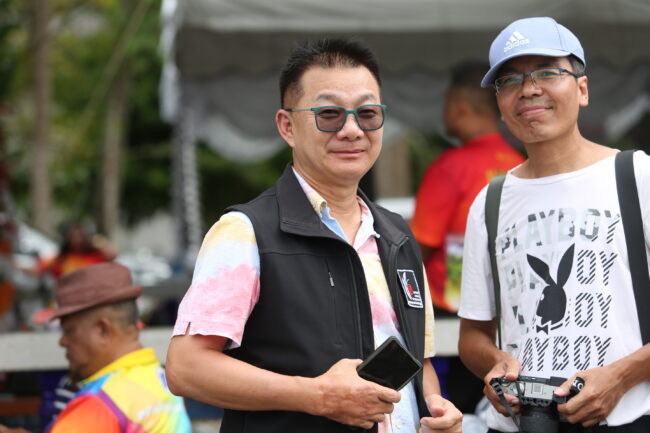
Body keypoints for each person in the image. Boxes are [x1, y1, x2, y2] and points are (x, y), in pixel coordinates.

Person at [165, 38, 462, 433]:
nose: (352, 130)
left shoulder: (397, 235)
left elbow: (417, 362)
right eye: (329, 114)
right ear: (287, 126)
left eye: (367, 113)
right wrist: (317, 395)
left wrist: (435, 409)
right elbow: (186, 368)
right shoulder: (245, 233)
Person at [458, 16, 650, 432]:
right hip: (523, 423)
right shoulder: (490, 202)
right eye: (510, 80)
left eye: (547, 72)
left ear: (582, 89)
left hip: (628, 420)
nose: (528, 89)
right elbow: (472, 334)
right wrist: (495, 364)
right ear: (499, 103)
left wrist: (620, 377)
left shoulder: (637, 176)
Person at [410, 62, 524, 415]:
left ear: (459, 104)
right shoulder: (519, 163)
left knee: (448, 412)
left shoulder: (450, 166)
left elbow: (415, 249)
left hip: (455, 320)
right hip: (509, 315)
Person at [0, 262, 192, 433]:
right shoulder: (158, 379)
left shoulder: (101, 402)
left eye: (70, 331)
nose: (62, 341)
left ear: (102, 330)